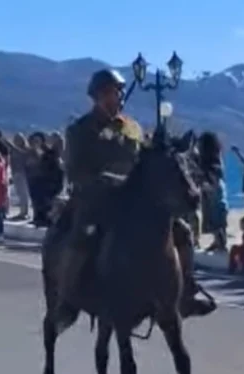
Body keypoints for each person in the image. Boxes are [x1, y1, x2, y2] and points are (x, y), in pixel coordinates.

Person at [61, 68, 216, 318]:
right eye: (112, 93)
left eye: (119, 93)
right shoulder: (79, 130)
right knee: (83, 235)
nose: (118, 98)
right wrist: (106, 179)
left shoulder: (131, 127)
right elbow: (75, 172)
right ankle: (72, 291)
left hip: (131, 201)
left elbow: (142, 158)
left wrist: (160, 149)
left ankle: (185, 290)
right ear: (97, 96)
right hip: (97, 200)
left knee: (181, 232)